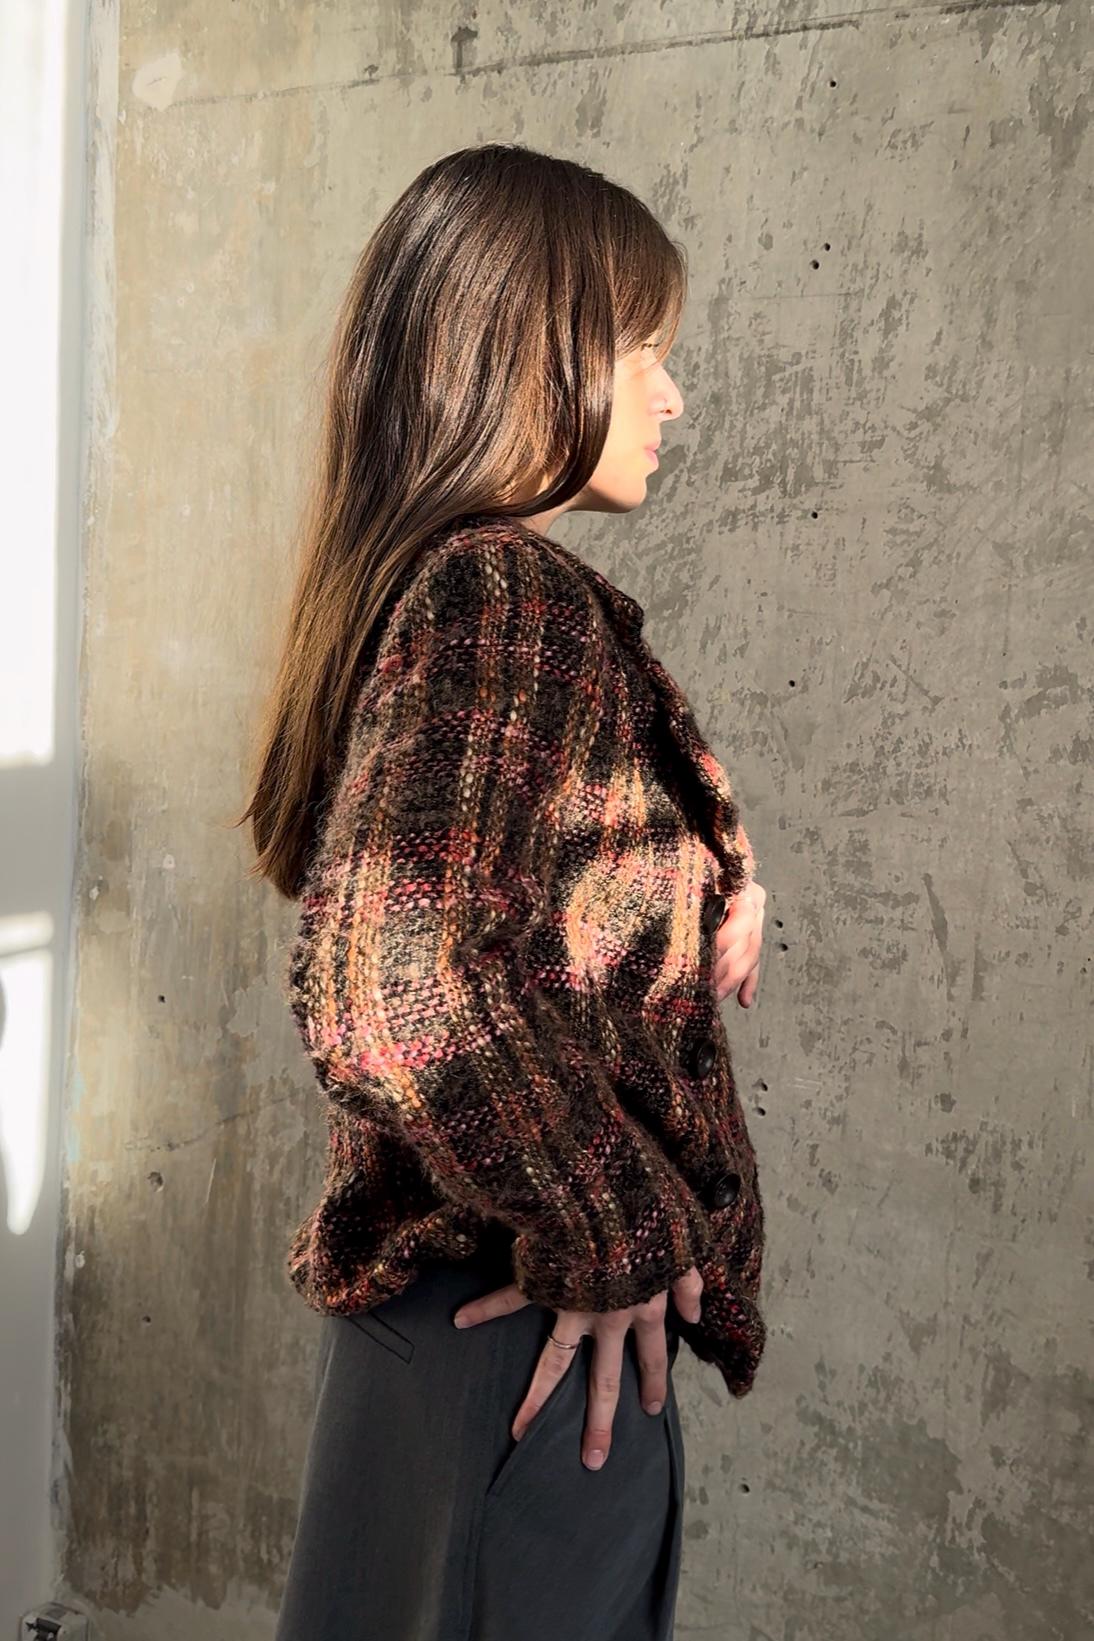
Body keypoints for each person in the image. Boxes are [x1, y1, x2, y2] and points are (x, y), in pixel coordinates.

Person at [237, 142, 769, 1641]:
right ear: (530, 354)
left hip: (462, 1337)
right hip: (534, 1343)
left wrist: (722, 867)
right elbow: (390, 974)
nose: (670, 393)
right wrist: (615, 1224)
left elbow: (514, 886)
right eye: (641, 348)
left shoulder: (425, 589)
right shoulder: (501, 593)